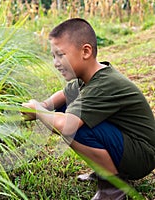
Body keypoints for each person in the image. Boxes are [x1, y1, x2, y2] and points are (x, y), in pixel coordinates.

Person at [22, 18, 155, 200]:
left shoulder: (103, 85)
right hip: (128, 145)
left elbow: (65, 125)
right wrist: (42, 106)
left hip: (141, 156)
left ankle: (113, 187)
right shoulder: (85, 79)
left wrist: (39, 112)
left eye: (61, 55)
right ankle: (104, 168)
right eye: (53, 56)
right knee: (67, 107)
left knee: (73, 127)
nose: (56, 63)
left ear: (85, 51)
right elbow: (60, 96)